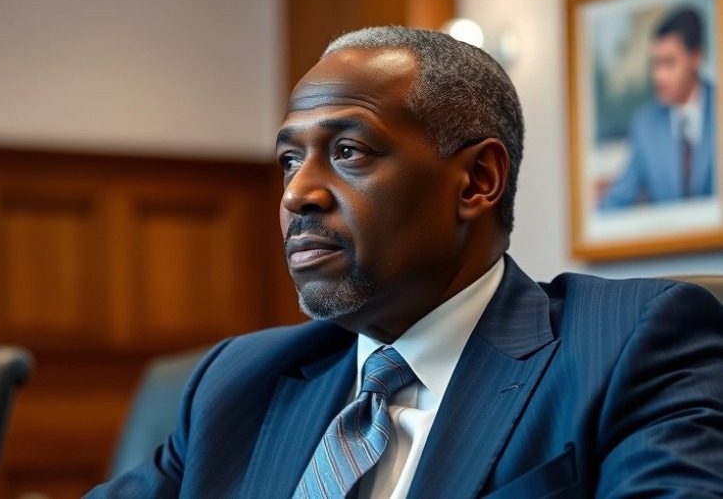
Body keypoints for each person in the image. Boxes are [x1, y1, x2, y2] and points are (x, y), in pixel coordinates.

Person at [86, 27, 723, 498]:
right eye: (288, 160)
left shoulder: (632, 345)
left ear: (477, 180)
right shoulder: (236, 383)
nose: (295, 193)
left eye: (348, 151)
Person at [600, 7, 717, 210]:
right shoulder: (646, 125)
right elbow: (619, 199)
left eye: (669, 63)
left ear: (696, 58)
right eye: (655, 64)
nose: (658, 76)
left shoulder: (718, 106)